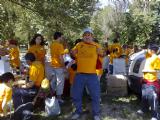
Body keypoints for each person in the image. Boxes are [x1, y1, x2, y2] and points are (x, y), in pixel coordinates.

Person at [71, 28, 103, 120]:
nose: (87, 36)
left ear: (92, 36)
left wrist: (100, 53)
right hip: (79, 74)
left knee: (95, 95)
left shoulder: (97, 46)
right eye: (85, 35)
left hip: (92, 75)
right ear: (82, 37)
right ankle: (78, 111)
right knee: (77, 94)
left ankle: (96, 114)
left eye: (89, 35)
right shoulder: (79, 45)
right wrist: (72, 53)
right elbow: (72, 54)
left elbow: (102, 55)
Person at [137, 44, 160, 120]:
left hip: (152, 81)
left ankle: (155, 116)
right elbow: (145, 53)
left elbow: (158, 71)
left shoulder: (156, 58)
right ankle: (143, 109)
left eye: (149, 49)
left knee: (153, 98)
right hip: (145, 80)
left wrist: (158, 82)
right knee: (144, 97)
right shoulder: (149, 57)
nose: (147, 50)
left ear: (152, 50)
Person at [49, 32, 65, 103]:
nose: (62, 38)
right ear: (59, 37)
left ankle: (51, 95)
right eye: (62, 37)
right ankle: (59, 98)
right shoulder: (59, 45)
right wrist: (64, 67)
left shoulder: (52, 45)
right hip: (59, 66)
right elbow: (61, 57)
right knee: (60, 82)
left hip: (53, 66)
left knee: (53, 81)